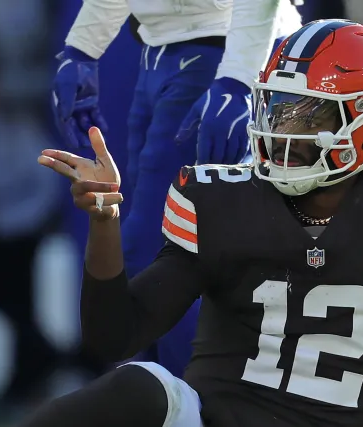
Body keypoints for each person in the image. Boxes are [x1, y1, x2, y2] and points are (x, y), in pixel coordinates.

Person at [25, 20, 363, 427]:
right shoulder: (222, 201)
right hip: (218, 418)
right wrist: (105, 220)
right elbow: (114, 336)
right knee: (143, 386)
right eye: (277, 108)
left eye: (308, 115)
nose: (282, 131)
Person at [52, 0, 303, 377]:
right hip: (165, 49)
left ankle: (206, 396)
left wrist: (237, 80)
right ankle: (171, 393)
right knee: (154, 257)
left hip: (224, 53)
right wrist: (82, 49)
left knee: (159, 255)